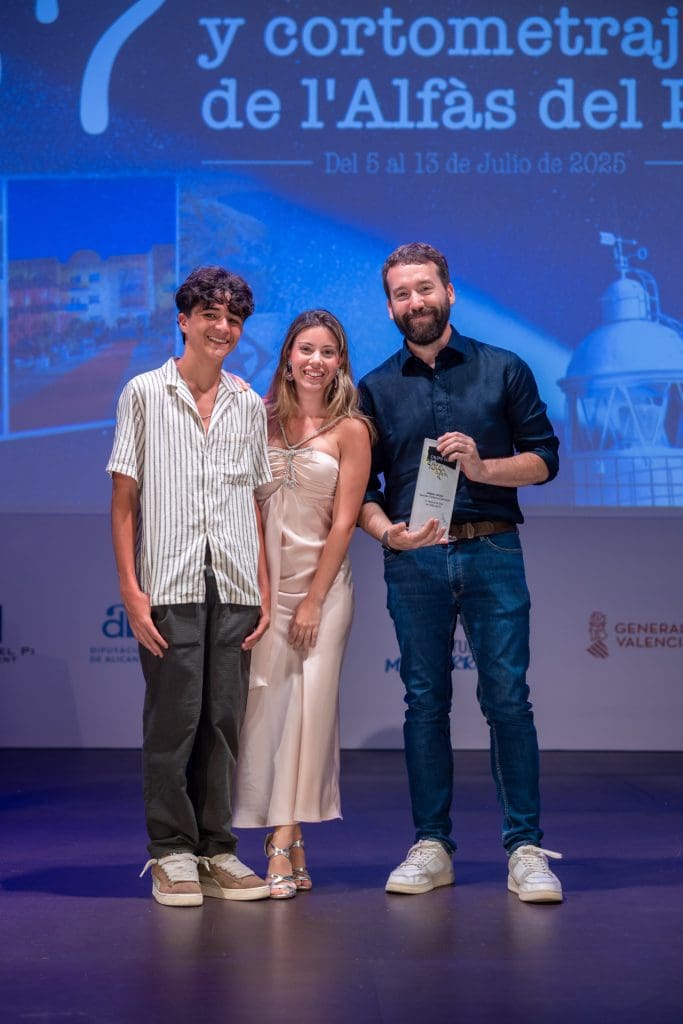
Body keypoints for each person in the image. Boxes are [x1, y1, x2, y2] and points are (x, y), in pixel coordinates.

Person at [357, 242, 563, 903]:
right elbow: (360, 492)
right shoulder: (374, 388)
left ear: (449, 292)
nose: (414, 302)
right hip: (413, 559)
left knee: (507, 701)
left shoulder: (503, 368)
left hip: (490, 549)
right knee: (424, 703)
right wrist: (387, 531)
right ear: (389, 307)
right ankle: (431, 846)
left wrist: (481, 467)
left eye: (424, 288)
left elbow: (544, 460)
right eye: (401, 294)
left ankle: (525, 849)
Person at [107, 265, 273, 907]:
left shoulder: (247, 403)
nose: (222, 327)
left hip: (235, 583)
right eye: (210, 315)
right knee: (173, 722)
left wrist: (262, 584)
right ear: (184, 320)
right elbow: (124, 500)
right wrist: (131, 588)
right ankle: (171, 851)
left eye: (233, 318)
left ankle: (217, 849)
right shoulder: (144, 393)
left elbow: (254, 501)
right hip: (168, 582)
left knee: (223, 722)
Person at [233, 309, 372, 898]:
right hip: (267, 588)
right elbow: (246, 509)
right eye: (306, 349)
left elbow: (344, 523)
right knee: (267, 711)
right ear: (288, 358)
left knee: (308, 713)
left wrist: (313, 601)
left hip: (324, 590)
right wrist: (265, 592)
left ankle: (282, 838)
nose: (316, 361)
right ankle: (287, 840)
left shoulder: (352, 430)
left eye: (328, 352)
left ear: (340, 363)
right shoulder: (258, 421)